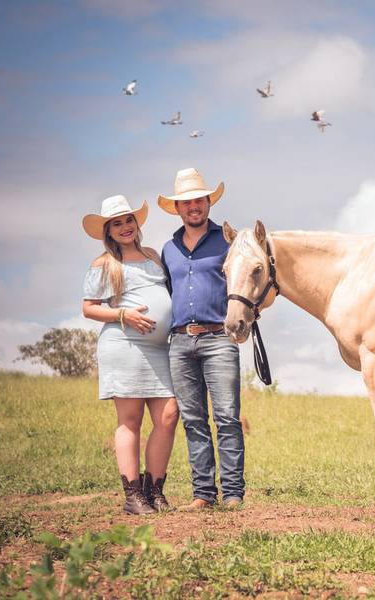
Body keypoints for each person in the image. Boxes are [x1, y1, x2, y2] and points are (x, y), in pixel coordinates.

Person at [81, 195, 179, 515]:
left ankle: (155, 491)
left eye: (128, 220)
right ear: (108, 231)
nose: (124, 227)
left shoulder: (153, 256)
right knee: (131, 420)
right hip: (125, 345)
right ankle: (133, 495)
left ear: (136, 223)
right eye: (116, 224)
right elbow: (89, 308)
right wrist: (123, 314)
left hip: (159, 349)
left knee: (168, 415)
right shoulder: (105, 264)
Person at [158, 168, 245, 509]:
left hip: (219, 339)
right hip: (180, 342)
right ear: (177, 208)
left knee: (227, 417)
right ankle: (203, 495)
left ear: (209, 202)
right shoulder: (169, 249)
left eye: (199, 200)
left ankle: (233, 494)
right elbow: (169, 292)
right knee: (193, 421)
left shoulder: (228, 241)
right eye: (186, 202)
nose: (193, 206)